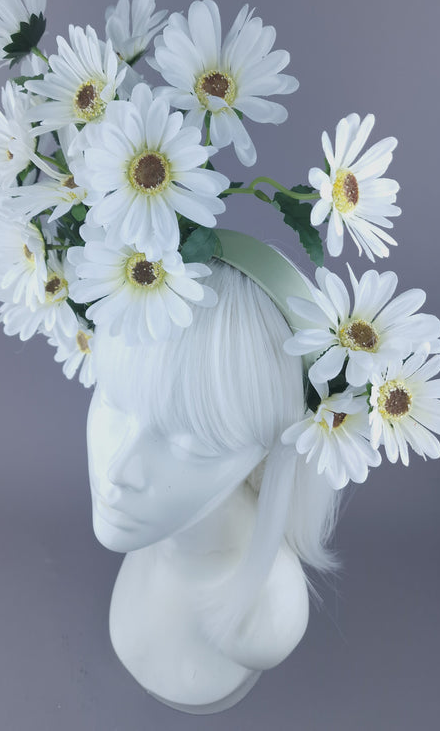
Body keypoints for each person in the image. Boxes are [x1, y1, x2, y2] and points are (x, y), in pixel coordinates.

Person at [86, 238, 339, 713]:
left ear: (268, 451)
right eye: (113, 402)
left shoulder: (265, 619)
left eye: (188, 444)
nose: (117, 469)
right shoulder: (160, 528)